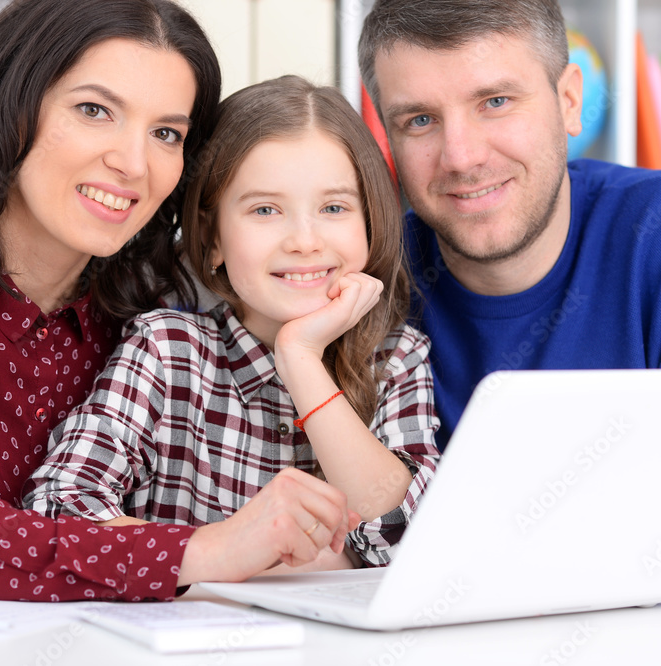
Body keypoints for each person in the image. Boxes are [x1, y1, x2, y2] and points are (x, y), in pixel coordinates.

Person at [0, 0, 354, 603]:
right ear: (12, 105)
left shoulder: (148, 313)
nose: (133, 164)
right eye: (94, 110)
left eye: (166, 133)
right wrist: (209, 549)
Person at [358, 0, 661, 581]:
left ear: (569, 101)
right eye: (419, 121)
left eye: (495, 102)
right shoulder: (368, 280)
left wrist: (467, 541)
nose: (461, 158)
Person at [23, 75, 440, 570]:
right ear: (213, 236)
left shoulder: (395, 356)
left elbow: (412, 544)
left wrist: (301, 359)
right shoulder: (166, 350)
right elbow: (57, 512)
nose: (304, 241)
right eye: (265, 209)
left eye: (333, 207)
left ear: (370, 223)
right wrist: (235, 554)